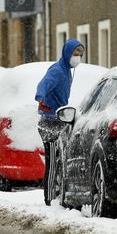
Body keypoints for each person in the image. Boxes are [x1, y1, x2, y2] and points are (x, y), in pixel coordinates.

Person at [35, 38, 84, 206]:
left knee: (59, 159)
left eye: (80, 54)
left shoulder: (67, 70)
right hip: (50, 122)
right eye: (75, 53)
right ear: (67, 53)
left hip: (59, 119)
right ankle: (49, 198)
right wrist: (40, 96)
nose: (77, 57)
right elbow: (44, 84)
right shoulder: (57, 70)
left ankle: (57, 194)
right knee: (53, 162)